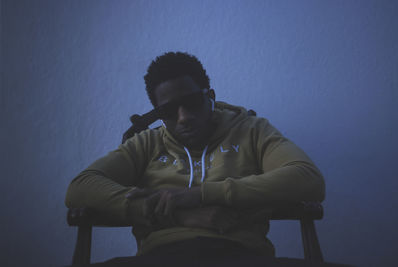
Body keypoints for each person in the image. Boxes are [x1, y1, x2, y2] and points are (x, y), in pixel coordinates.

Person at [65, 51, 325, 262]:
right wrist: (178, 215)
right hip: (160, 257)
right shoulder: (147, 143)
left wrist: (198, 194)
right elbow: (81, 187)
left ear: (209, 96)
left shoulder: (251, 130)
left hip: (242, 255)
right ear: (157, 113)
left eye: (191, 103)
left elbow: (308, 179)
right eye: (168, 110)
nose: (184, 117)